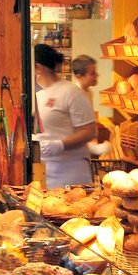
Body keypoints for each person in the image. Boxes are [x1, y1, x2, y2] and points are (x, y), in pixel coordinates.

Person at [33, 44, 97, 189]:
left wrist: (59, 145)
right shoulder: (38, 94)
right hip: (46, 172)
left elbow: (90, 131)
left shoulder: (71, 93)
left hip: (71, 174)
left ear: (38, 68)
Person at [72, 54, 111, 158]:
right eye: (92, 73)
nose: (96, 76)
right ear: (79, 76)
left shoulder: (88, 92)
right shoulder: (74, 97)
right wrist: (95, 149)